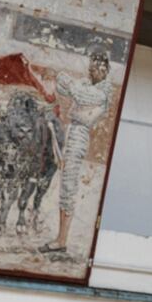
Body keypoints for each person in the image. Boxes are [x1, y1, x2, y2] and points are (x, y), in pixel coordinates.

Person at [39, 44, 113, 254]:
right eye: (91, 68)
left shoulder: (102, 92)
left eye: (96, 68)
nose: (92, 71)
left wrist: (62, 75)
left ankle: (62, 240)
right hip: (70, 130)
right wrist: (56, 75)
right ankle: (60, 239)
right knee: (64, 185)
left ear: (104, 69)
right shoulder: (88, 84)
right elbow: (65, 88)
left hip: (79, 135)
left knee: (69, 186)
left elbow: (79, 94)